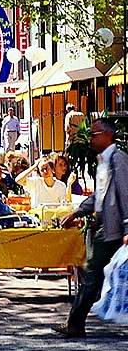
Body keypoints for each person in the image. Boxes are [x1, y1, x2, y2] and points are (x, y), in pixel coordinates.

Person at [55, 118, 128, 338]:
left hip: (115, 229)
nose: (91, 139)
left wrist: (127, 228)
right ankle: (75, 323)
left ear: (108, 135)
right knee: (92, 275)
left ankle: (75, 323)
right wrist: (78, 212)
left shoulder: (118, 159)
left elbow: (126, 194)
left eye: (95, 134)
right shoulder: (104, 161)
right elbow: (100, 196)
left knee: (92, 275)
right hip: (106, 228)